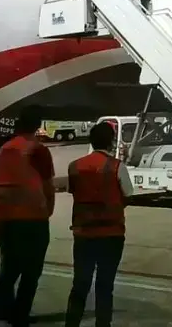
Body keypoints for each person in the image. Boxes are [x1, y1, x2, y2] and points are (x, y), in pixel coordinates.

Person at [0, 108, 56, 327]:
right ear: (37, 125)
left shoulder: (3, 149)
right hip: (31, 218)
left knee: (10, 270)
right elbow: (47, 184)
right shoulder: (37, 150)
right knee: (31, 272)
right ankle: (18, 316)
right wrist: (48, 210)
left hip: (3, 216)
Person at [64, 122, 134, 327]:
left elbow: (73, 191)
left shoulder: (74, 165)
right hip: (111, 234)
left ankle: (72, 323)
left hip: (84, 233)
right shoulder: (117, 167)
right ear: (112, 141)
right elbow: (128, 195)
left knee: (80, 283)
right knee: (105, 285)